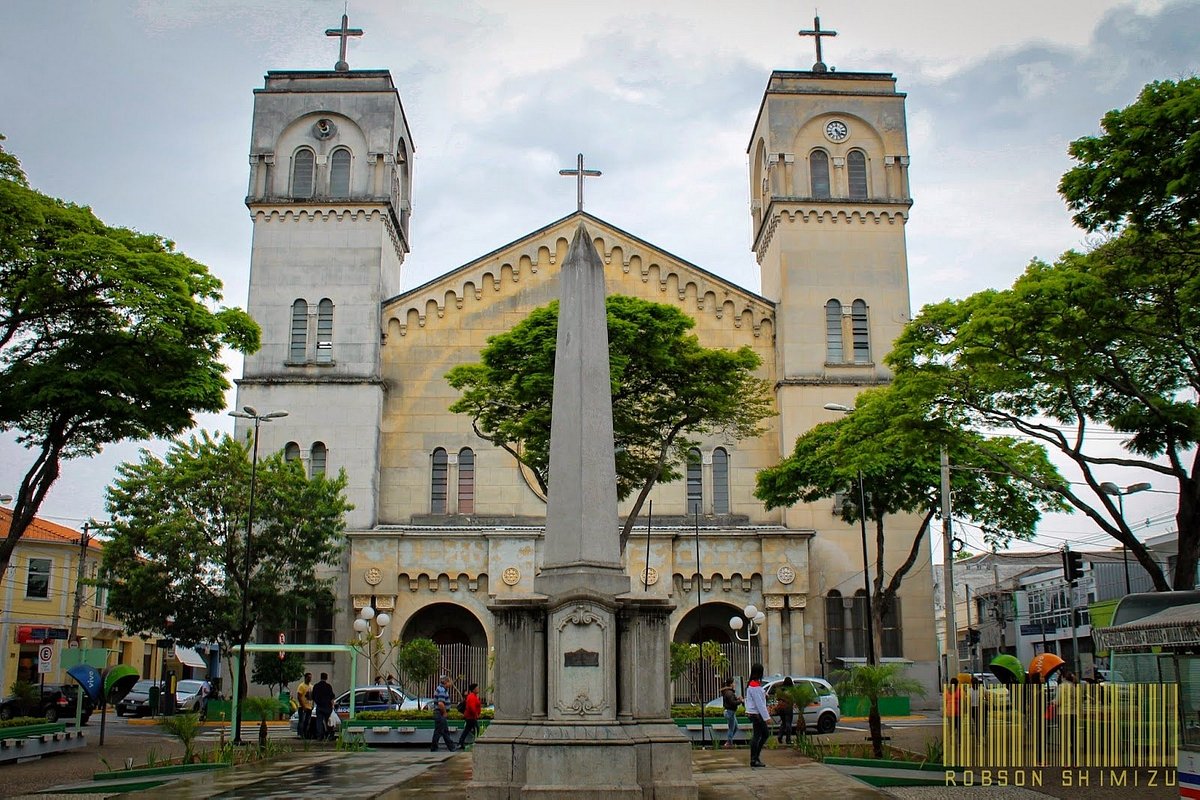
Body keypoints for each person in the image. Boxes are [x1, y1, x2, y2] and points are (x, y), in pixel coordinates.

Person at [745, 662, 771, 768]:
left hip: (755, 714)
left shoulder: (753, 684)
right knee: (760, 735)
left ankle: (755, 757)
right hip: (757, 714)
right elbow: (759, 704)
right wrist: (767, 717)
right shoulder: (754, 686)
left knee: (762, 735)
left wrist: (764, 694)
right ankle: (754, 758)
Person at [431, 675, 457, 752]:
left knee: (444, 731)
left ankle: (451, 747)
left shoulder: (442, 689)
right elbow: (440, 703)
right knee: (439, 731)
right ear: (446, 682)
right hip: (440, 713)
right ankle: (434, 748)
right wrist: (445, 712)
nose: (451, 683)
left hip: (440, 713)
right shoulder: (442, 690)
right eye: (449, 681)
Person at [457, 682, 482, 749]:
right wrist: (476, 715)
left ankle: (461, 742)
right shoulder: (472, 697)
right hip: (471, 717)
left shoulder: (473, 696)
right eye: (477, 688)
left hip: (471, 717)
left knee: (467, 729)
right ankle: (477, 742)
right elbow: (472, 707)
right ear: (473, 690)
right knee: (477, 729)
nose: (478, 689)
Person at [311, 672, 335, 741]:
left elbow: (313, 697)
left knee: (319, 722)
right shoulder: (328, 686)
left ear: (320, 677)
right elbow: (332, 697)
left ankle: (319, 736)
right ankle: (328, 735)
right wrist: (332, 706)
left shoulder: (316, 686)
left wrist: (315, 703)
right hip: (327, 707)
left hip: (319, 706)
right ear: (326, 678)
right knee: (328, 722)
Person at [720, 677, 741, 749]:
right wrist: (740, 701)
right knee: (731, 728)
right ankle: (729, 743)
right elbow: (732, 702)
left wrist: (737, 699)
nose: (735, 684)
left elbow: (731, 701)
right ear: (731, 684)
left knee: (735, 727)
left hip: (731, 712)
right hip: (730, 712)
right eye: (733, 683)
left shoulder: (728, 692)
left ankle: (729, 741)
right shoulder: (729, 692)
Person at [775, 676, 796, 745]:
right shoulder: (791, 690)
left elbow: (777, 698)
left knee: (783, 722)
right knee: (788, 723)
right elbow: (793, 698)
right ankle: (788, 739)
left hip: (781, 708)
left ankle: (780, 736)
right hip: (788, 708)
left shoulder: (780, 689)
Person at [296, 672, 314, 739]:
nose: (310, 679)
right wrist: (303, 706)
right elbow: (299, 696)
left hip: (309, 707)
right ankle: (300, 734)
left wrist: (312, 705)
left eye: (310, 677)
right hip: (302, 707)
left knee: (307, 721)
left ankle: (305, 734)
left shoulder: (311, 687)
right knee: (302, 721)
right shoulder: (301, 686)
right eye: (308, 677)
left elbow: (313, 697)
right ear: (305, 678)